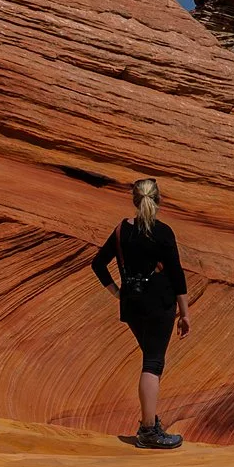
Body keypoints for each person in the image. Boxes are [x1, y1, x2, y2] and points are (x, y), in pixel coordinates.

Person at [91, 178, 190, 449]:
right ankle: (148, 430)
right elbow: (177, 274)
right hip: (160, 304)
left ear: (135, 201)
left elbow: (98, 264)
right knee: (153, 364)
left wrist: (117, 292)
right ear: (158, 201)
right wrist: (185, 313)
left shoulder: (122, 230)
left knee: (151, 360)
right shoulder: (163, 232)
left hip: (133, 306)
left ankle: (150, 423)